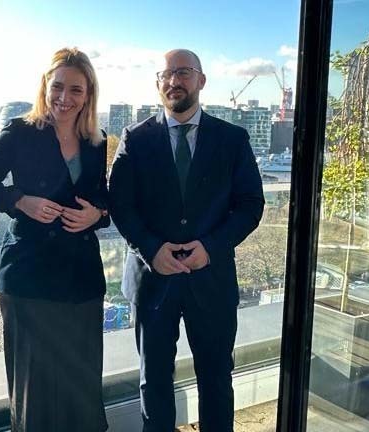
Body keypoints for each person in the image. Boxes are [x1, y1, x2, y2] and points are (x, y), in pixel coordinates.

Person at [108, 49, 264, 432]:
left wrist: (210, 248)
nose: (174, 81)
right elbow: (120, 204)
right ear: (158, 83)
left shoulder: (232, 139)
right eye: (166, 74)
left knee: (215, 379)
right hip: (152, 280)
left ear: (201, 80)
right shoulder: (135, 138)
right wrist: (150, 250)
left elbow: (250, 204)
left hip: (210, 281)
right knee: (154, 382)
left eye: (183, 73)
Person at [0, 47, 110, 432]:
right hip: (29, 277)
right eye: (58, 87)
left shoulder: (97, 139)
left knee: (81, 384)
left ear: (88, 94)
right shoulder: (21, 132)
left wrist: (99, 214)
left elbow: (104, 194)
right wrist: (19, 200)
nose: (64, 98)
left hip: (82, 278)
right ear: (45, 86)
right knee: (35, 389)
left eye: (76, 89)